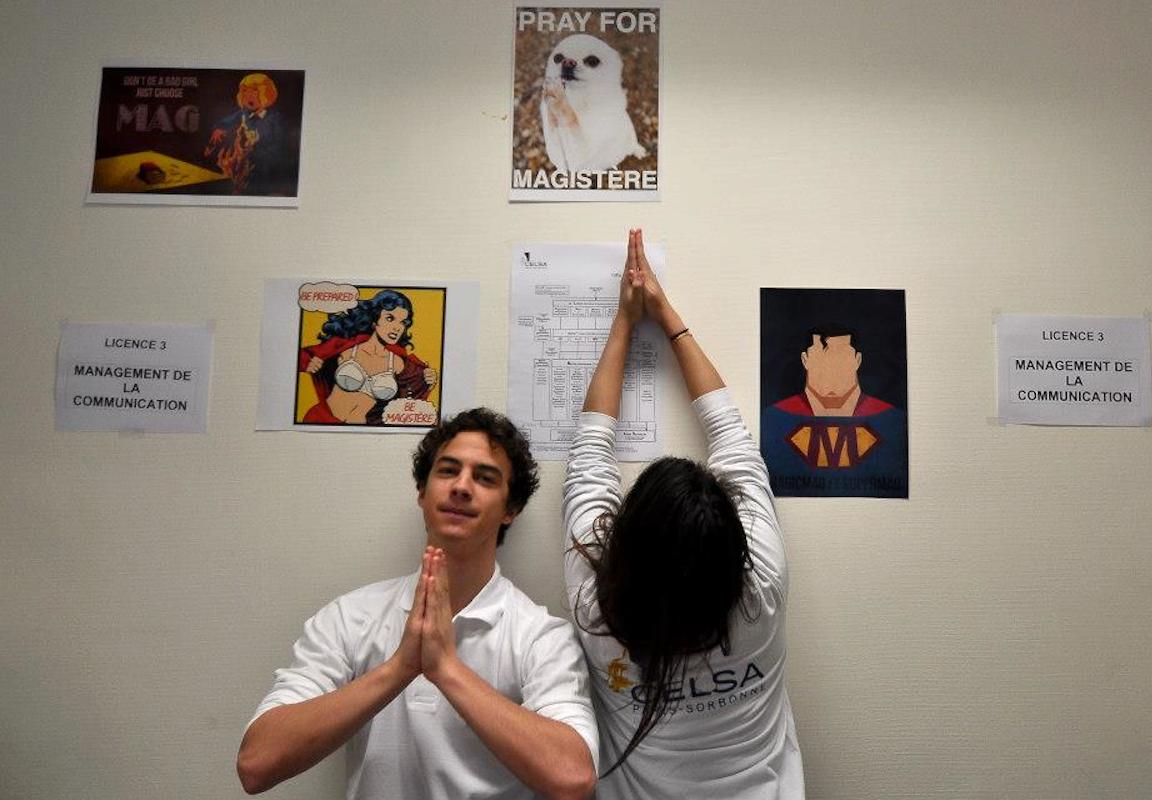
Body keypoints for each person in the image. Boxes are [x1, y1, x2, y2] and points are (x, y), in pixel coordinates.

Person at [238, 409, 599, 799]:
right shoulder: (349, 617)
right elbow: (256, 764)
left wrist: (446, 669)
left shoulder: (542, 637)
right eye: (448, 471)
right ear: (422, 493)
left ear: (510, 509)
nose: (461, 486)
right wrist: (400, 668)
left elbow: (573, 778)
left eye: (484, 477)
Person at [563, 229, 804, 797]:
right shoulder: (761, 595)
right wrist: (667, 316)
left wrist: (625, 322)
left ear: (623, 540)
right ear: (735, 551)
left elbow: (590, 459)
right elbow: (735, 445)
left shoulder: (599, 613)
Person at [761, 322, 908, 497]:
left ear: (857, 360)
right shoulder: (774, 420)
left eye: (840, 358)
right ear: (805, 360)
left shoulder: (892, 422)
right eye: (821, 358)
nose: (830, 369)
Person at [298, 290, 437, 425]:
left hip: (361, 429)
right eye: (390, 318)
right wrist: (311, 363)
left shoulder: (397, 362)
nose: (397, 327)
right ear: (375, 320)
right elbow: (301, 356)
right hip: (321, 420)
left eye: (403, 322)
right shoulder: (347, 348)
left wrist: (428, 379)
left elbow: (412, 396)